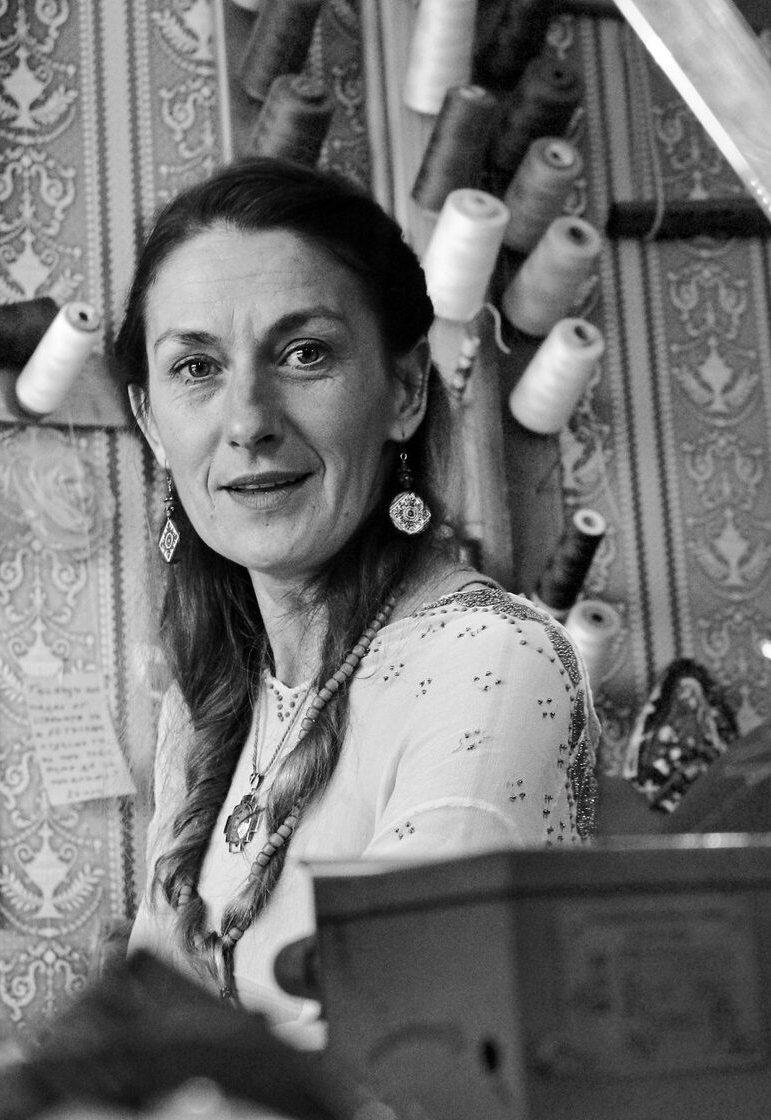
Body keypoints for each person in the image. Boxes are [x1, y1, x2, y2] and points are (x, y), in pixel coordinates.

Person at [116, 159, 598, 1040]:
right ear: (152, 424)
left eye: (304, 354)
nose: (248, 421)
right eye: (197, 366)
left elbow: (403, 1054)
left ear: (405, 391)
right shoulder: (208, 702)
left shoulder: (490, 665)